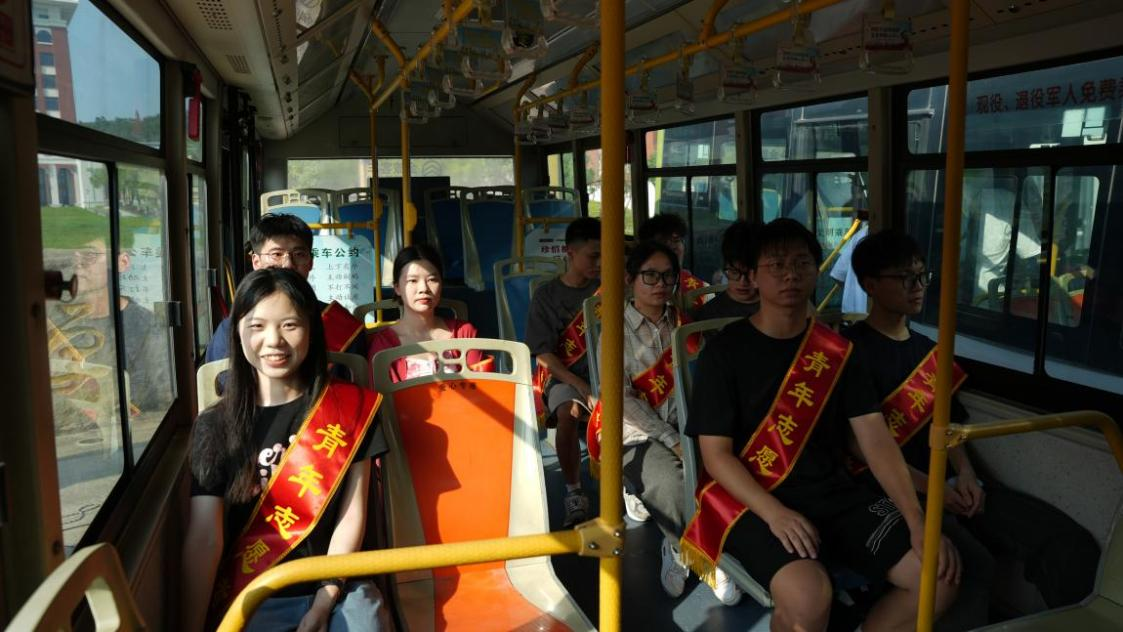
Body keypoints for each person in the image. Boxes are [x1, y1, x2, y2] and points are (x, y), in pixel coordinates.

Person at [682, 218, 960, 632]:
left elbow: (875, 440)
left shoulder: (838, 352)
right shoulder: (724, 353)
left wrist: (918, 520)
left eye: (801, 263)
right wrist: (776, 514)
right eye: (776, 265)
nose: (790, 274)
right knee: (809, 597)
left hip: (834, 493)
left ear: (817, 271)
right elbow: (716, 456)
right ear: (753, 276)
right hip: (751, 498)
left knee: (937, 579)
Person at [846, 228, 1100, 619]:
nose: (918, 287)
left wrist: (967, 475)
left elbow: (949, 424)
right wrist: (935, 489)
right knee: (968, 565)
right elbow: (862, 448)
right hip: (893, 490)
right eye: (904, 278)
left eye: (922, 276)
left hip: (950, 483)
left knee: (1065, 543)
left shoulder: (928, 351)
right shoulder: (850, 352)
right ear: (870, 285)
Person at [183, 268, 390, 632]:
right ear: (237, 333)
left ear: (311, 330)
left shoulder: (350, 409)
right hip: (255, 591)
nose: (274, 341)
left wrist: (324, 601)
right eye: (257, 326)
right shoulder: (214, 426)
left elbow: (352, 516)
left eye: (290, 325)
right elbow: (205, 538)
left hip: (339, 585)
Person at [595, 240, 743, 604]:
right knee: (670, 484)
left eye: (667, 276)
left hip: (691, 426)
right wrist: (670, 438)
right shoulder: (614, 332)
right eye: (650, 276)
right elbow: (621, 400)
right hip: (636, 436)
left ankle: (711, 545)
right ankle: (687, 551)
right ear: (630, 279)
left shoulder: (685, 325)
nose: (660, 284)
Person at [205, 213, 366, 363]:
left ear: (310, 262)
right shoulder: (231, 330)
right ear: (256, 262)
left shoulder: (343, 327)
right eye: (276, 254)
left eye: (299, 254)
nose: (288, 264)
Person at [526, 217, 601, 527]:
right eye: (593, 256)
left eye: (604, 256)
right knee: (568, 411)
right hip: (565, 374)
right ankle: (573, 490)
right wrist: (582, 386)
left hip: (607, 371)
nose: (600, 263)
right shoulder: (547, 296)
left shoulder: (608, 289)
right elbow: (544, 355)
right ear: (570, 252)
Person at [49, 235, 172, 414]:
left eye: (89, 254)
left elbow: (161, 399)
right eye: (71, 255)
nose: (77, 264)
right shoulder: (54, 321)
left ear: (122, 262)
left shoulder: (146, 326)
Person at [366, 244, 486, 381]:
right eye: (413, 280)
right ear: (397, 288)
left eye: (432, 280)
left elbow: (482, 386)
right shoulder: (383, 345)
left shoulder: (464, 334)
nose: (423, 288)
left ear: (441, 283)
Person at [637, 213, 709, 310]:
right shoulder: (634, 291)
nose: (672, 247)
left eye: (676, 240)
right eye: (663, 242)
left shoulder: (703, 290)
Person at [691, 220, 760, 321]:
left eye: (750, 273)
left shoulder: (777, 308)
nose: (743, 282)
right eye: (734, 272)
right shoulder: (707, 315)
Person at [829, 222, 870, 315]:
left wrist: (853, 294)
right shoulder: (861, 235)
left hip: (853, 312)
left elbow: (838, 275)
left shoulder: (860, 235)